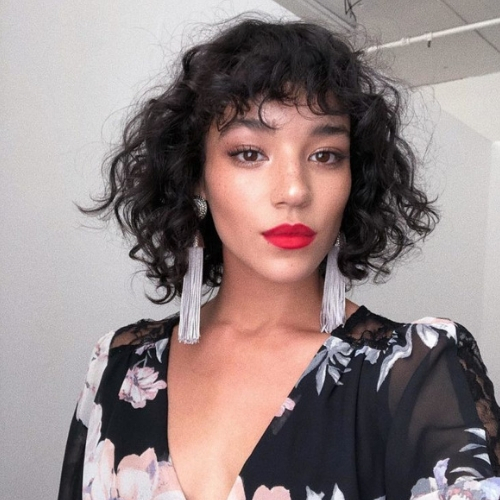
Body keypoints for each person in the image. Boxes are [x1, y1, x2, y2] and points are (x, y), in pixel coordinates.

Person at [58, 17, 500, 500]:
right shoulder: (117, 363)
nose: (294, 190)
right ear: (196, 174)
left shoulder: (416, 371)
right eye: (250, 153)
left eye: (325, 155)